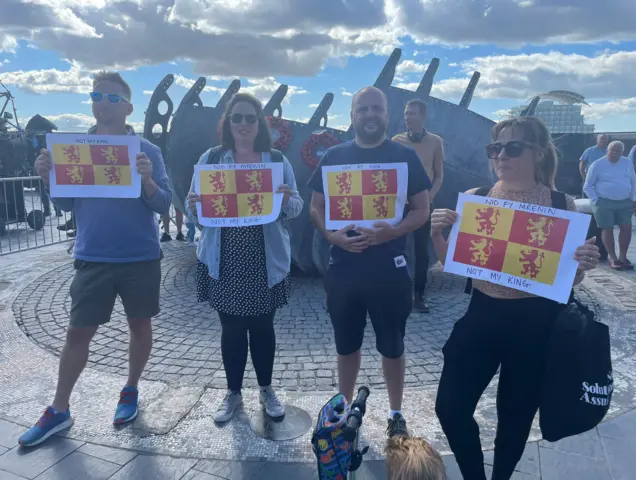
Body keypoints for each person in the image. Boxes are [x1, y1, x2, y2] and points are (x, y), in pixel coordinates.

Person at [430, 116, 601, 480]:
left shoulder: (562, 204)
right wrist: (437, 235)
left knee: (515, 419)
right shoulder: (476, 200)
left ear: (538, 153)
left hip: (536, 324)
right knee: (450, 407)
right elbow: (455, 264)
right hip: (482, 316)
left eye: (512, 147)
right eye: (495, 148)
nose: (500, 155)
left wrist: (584, 262)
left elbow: (569, 278)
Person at [19, 71, 172, 447]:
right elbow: (65, 204)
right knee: (77, 332)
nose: (104, 103)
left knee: (140, 326)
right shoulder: (76, 149)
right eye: (97, 96)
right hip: (92, 256)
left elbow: (164, 203)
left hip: (140, 257)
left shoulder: (146, 151)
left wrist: (148, 181)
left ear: (128, 107)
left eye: (113, 98)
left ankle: (130, 389)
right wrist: (48, 177)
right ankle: (59, 409)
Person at [308, 86, 432, 438]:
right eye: (363, 109)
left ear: (387, 113)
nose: (370, 115)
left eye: (376, 109)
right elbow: (316, 208)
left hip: (388, 271)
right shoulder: (333, 156)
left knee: (393, 347)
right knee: (346, 346)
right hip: (343, 271)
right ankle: (342, 409)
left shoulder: (405, 157)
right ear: (352, 116)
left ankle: (395, 413)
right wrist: (331, 237)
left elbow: (422, 211)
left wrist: (390, 232)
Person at [186, 93, 303, 423]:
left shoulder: (276, 161)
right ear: (227, 122)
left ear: (260, 123)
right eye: (237, 117)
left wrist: (284, 202)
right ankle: (233, 393)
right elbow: (193, 210)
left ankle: (266, 390)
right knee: (232, 330)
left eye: (250, 118)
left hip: (264, 260)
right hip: (224, 259)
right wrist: (194, 207)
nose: (243, 124)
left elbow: (296, 207)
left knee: (263, 328)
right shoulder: (210, 159)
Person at [392, 99, 444, 313]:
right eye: (406, 113)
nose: (407, 117)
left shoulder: (435, 141)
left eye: (412, 113)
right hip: (399, 205)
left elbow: (439, 174)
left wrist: (429, 198)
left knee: (422, 251)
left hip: (423, 205)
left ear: (422, 116)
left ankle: (420, 295)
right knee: (396, 249)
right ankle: (397, 293)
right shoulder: (396, 140)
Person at [584, 140, 636, 270]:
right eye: (612, 150)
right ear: (607, 150)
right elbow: (588, 186)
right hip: (603, 202)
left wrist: (631, 198)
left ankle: (623, 257)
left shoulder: (627, 162)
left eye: (617, 151)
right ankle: (612, 257)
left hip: (624, 201)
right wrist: (596, 200)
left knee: (626, 227)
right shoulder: (597, 164)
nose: (614, 153)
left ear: (622, 152)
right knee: (607, 228)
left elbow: (633, 180)